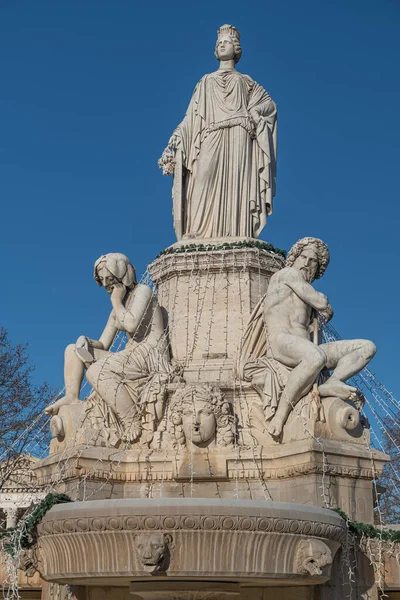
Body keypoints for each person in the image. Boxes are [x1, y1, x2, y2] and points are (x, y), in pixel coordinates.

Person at [240, 237, 376, 437]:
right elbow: (320, 301)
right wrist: (324, 307)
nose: (305, 263)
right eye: (303, 257)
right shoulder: (287, 274)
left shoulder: (301, 289)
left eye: (312, 261)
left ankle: (332, 382)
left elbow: (318, 310)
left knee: (367, 348)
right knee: (315, 357)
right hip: (281, 342)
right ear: (294, 258)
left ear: (318, 269)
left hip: (304, 346)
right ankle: (281, 414)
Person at [159, 24, 277, 240]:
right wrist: (177, 135)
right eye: (219, 43)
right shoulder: (206, 81)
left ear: (237, 49)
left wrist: (254, 112)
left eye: (227, 42)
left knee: (237, 182)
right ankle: (198, 230)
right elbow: (191, 117)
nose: (222, 46)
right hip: (211, 134)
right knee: (202, 177)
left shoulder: (246, 81)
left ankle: (238, 230)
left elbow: (269, 106)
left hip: (239, 135)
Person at [45, 253, 170, 442]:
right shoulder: (118, 308)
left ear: (123, 276)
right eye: (102, 280)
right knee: (72, 349)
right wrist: (85, 341)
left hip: (150, 354)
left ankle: (132, 420)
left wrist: (116, 302)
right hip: (132, 355)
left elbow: (131, 325)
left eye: (109, 279)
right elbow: (103, 343)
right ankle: (71, 396)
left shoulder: (143, 291)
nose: (105, 285)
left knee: (96, 372)